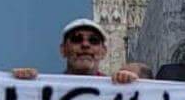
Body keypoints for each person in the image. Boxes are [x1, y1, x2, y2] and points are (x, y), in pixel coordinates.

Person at [10, 19, 140, 84]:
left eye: (93, 41)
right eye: (76, 39)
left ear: (103, 51)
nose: (85, 44)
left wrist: (137, 87)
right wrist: (19, 86)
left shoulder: (119, 90)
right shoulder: (46, 89)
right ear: (63, 50)